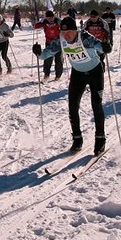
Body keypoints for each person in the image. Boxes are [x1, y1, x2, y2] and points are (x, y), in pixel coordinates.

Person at [32, 16, 112, 155]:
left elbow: (101, 46)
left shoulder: (85, 38)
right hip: (78, 74)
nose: (66, 35)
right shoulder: (61, 40)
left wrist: (106, 47)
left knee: (96, 104)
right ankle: (77, 139)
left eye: (69, 32)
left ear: (76, 30)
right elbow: (46, 54)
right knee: (72, 106)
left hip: (95, 73)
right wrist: (38, 53)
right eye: (63, 32)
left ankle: (100, 138)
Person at [34, 10, 63, 80]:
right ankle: (46, 75)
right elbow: (36, 26)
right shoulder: (44, 22)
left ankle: (58, 76)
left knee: (58, 60)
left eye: (52, 17)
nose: (51, 19)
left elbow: (65, 25)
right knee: (47, 59)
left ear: (54, 16)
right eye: (49, 18)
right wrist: (35, 22)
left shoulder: (58, 21)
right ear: (46, 18)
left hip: (58, 43)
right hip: (49, 43)